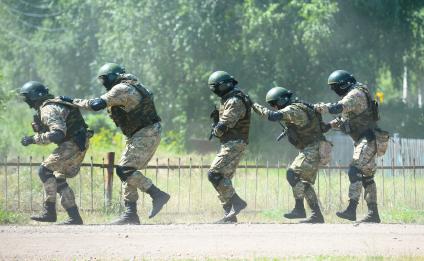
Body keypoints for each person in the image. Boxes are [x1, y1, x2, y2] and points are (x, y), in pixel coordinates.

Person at [61, 63, 170, 225]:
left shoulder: (121, 89)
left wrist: (72, 101)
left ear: (112, 77)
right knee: (127, 170)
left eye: (104, 79)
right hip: (140, 132)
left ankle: (157, 194)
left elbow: (96, 105)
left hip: (146, 132)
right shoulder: (132, 85)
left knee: (125, 170)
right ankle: (130, 214)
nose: (103, 83)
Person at [315, 70, 388, 223]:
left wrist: (319, 108)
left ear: (343, 84)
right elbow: (344, 119)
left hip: (368, 139)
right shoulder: (356, 94)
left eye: (335, 87)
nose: (335, 91)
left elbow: (338, 108)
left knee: (355, 170)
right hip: (367, 139)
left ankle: (351, 210)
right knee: (367, 177)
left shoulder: (355, 94)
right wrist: (328, 126)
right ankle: (373, 214)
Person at [252, 87, 331, 223]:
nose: (274, 107)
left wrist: (253, 105)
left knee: (292, 174)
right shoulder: (299, 108)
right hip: (312, 147)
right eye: (272, 105)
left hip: (314, 147)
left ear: (282, 100)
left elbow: (272, 116)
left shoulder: (293, 110)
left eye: (274, 104)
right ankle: (316, 215)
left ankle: (299, 209)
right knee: (303, 182)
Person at [20, 81, 90, 225]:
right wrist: (41, 133)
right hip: (77, 142)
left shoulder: (48, 109)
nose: (26, 101)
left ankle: (49, 212)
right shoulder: (54, 104)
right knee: (58, 178)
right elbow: (56, 134)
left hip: (72, 144)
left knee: (44, 171)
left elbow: (57, 134)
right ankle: (74, 217)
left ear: (34, 97)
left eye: (27, 98)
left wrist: (33, 139)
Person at [207, 71, 251, 223]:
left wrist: (216, 126)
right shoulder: (230, 99)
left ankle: (237, 203)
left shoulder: (234, 100)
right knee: (222, 178)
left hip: (235, 142)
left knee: (214, 174)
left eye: (216, 88)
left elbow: (224, 125)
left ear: (223, 86)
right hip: (231, 142)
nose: (215, 91)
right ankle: (229, 214)